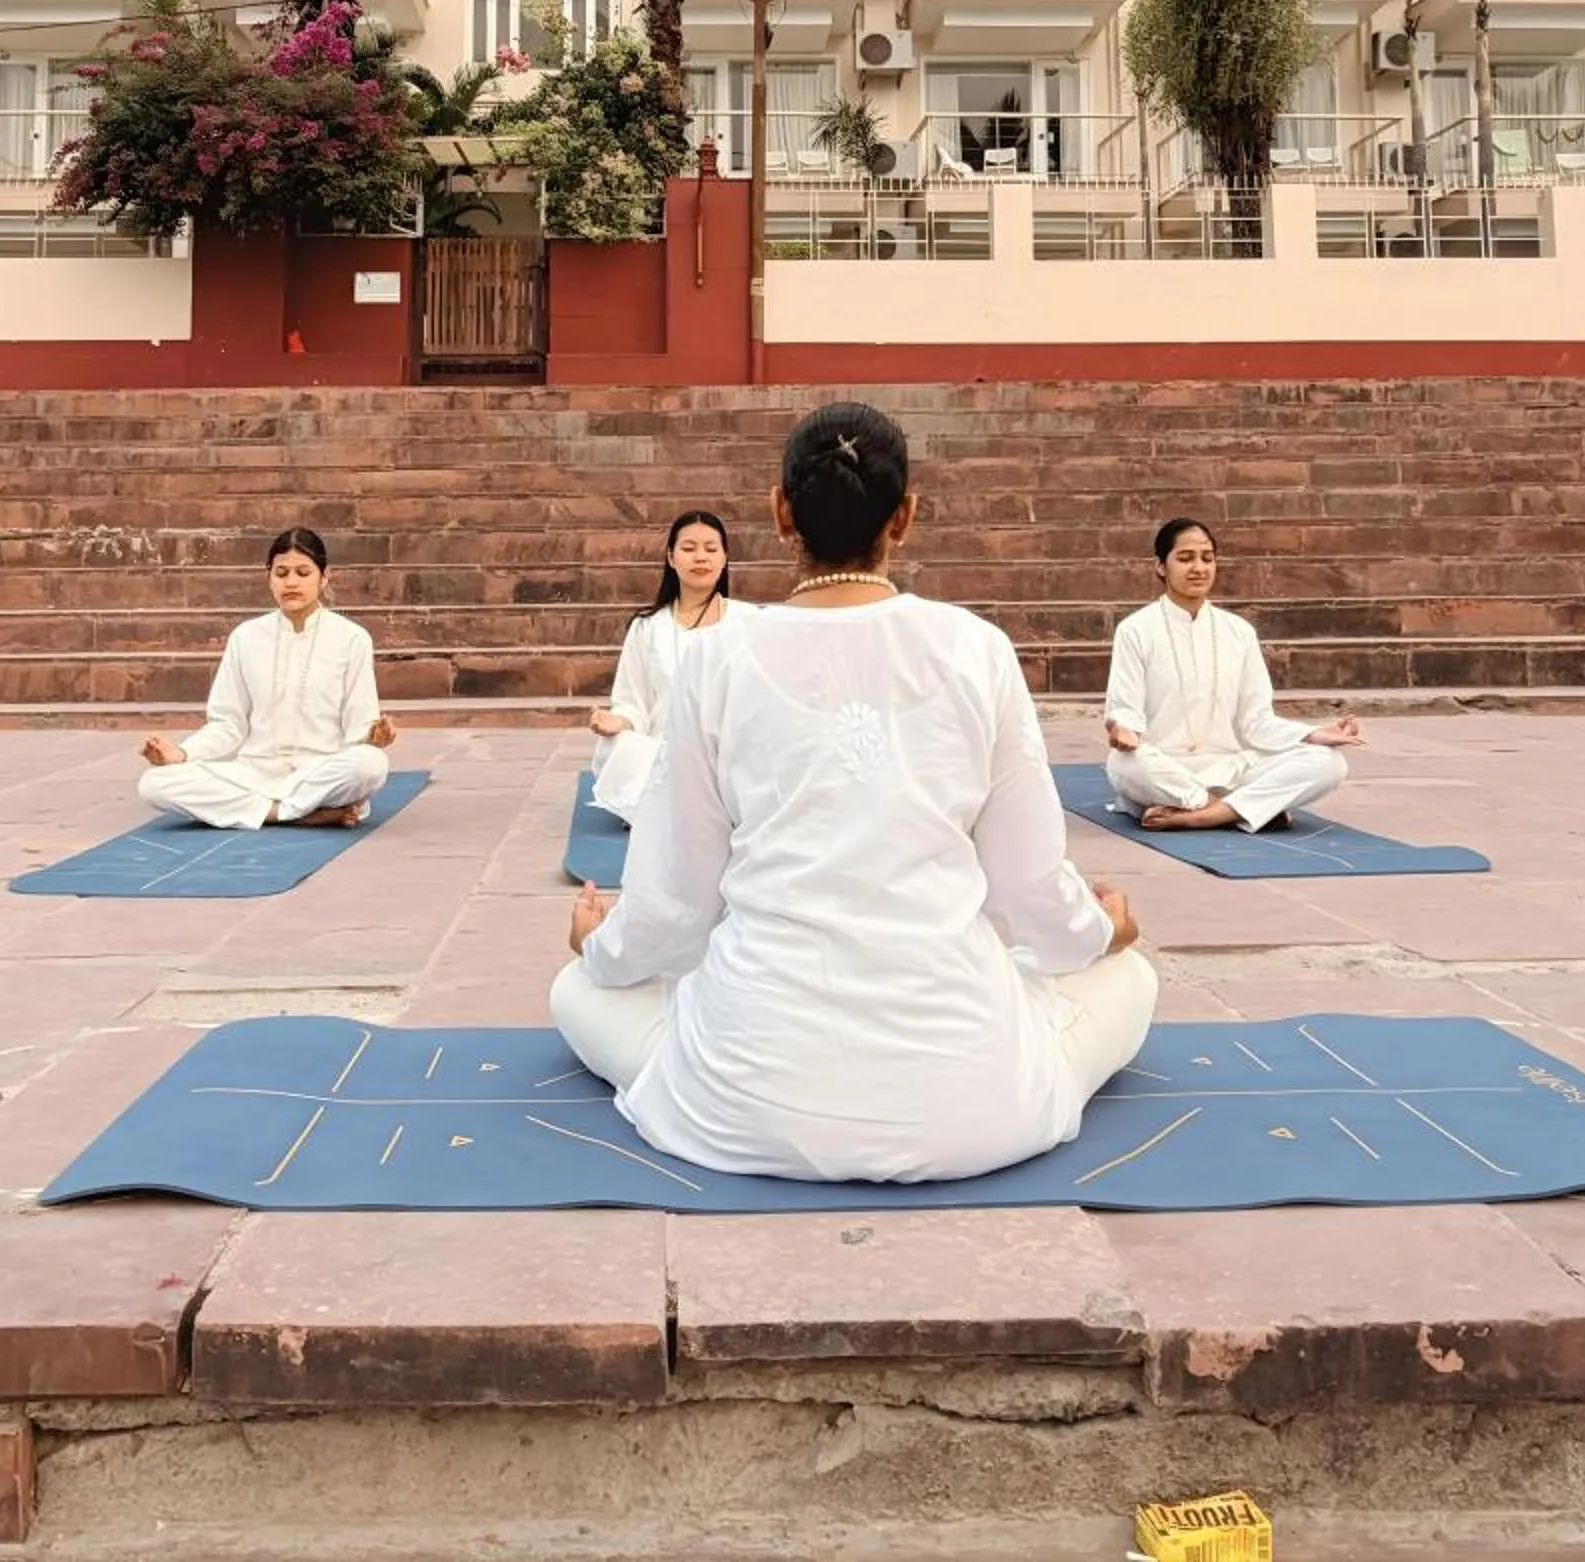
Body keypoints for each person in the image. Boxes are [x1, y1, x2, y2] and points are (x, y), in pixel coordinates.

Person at [550, 403, 1157, 1184]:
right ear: (905, 516)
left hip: (749, 1103)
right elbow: (1029, 889)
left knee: (580, 989)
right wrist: (1101, 932)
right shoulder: (978, 648)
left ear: (779, 512)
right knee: (1128, 979)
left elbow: (675, 906)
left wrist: (597, 945)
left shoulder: (717, 658)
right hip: (971, 1109)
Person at [1103, 516, 1365, 833]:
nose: (1199, 568)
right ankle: (1240, 808)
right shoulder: (1135, 630)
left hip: (1233, 768)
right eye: (1185, 559)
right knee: (1122, 765)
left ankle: (1205, 814)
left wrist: (1312, 735)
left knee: (1329, 763)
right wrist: (1124, 729)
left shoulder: (1238, 631)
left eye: (1207, 558)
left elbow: (1257, 721)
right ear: (1161, 566)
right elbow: (1124, 708)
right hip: (1165, 769)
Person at [138, 528, 393, 829]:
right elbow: (227, 725)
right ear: (268, 577)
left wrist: (373, 738)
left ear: (325, 577)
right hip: (254, 773)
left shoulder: (352, 639)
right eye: (282, 573)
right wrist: (181, 754)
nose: (292, 582)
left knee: (371, 766)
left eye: (303, 572)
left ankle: (272, 809)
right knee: (153, 783)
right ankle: (293, 812)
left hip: (319, 771)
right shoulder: (246, 638)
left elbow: (358, 727)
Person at [585, 510, 746, 825]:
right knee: (624, 746)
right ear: (671, 558)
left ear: (725, 558)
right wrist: (618, 721)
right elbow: (634, 701)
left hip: (728, 755)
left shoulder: (748, 622)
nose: (701, 557)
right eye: (689, 549)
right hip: (662, 754)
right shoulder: (647, 627)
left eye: (711, 549)